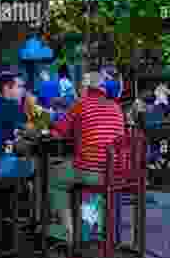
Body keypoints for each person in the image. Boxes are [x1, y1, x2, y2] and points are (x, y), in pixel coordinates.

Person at [48, 71, 126, 244]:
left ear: (86, 88)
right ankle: (97, 230)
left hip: (91, 170)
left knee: (53, 178)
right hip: (115, 171)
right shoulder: (116, 107)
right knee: (78, 172)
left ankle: (69, 232)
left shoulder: (80, 104)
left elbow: (59, 131)